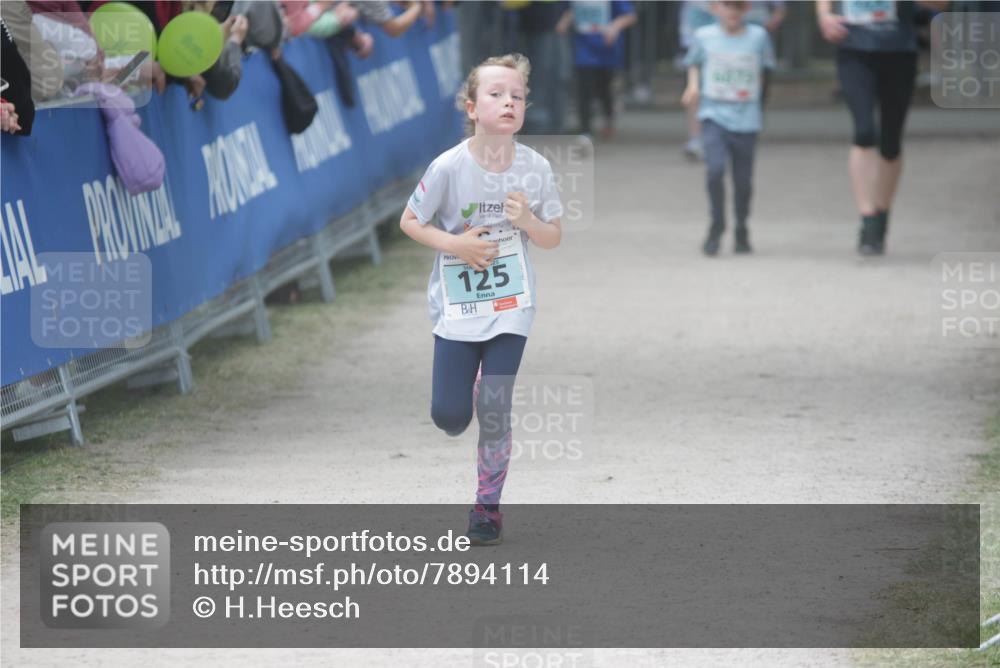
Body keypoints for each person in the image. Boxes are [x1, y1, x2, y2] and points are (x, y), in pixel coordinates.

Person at [399, 53, 563, 545]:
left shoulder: (535, 168)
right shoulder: (449, 166)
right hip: (457, 308)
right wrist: (458, 245)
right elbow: (410, 221)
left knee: (495, 405)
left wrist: (529, 221)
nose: (508, 103)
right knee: (449, 416)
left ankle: (486, 508)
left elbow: (554, 235)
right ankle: (460, 400)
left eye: (517, 96)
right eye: (496, 94)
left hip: (511, 306)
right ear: (471, 107)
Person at [816, 0, 948, 255]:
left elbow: (941, 4)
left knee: (890, 142)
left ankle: (881, 212)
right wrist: (824, 15)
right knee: (864, 132)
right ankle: (867, 221)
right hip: (854, 49)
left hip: (899, 52)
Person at [682, 0, 774, 256]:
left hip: (747, 118)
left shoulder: (758, 36)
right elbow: (693, 62)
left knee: (743, 181)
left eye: (738, 6)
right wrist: (693, 86)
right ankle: (717, 224)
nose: (732, 12)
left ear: (746, 10)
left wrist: (760, 107)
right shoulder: (704, 36)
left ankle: (742, 226)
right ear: (715, 8)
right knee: (715, 170)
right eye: (727, 6)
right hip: (714, 115)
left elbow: (766, 72)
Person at [556, 1, 636, 139]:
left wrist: (614, 27)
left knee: (603, 87)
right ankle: (585, 129)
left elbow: (630, 15)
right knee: (584, 87)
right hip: (584, 47)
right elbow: (573, 9)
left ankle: (608, 117)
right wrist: (565, 21)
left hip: (606, 47)